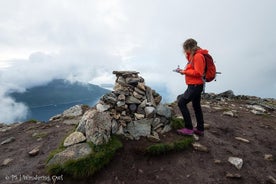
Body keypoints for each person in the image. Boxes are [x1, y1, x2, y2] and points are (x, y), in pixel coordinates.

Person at [175, 38, 208, 136]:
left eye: (185, 49)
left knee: (181, 103)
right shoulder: (194, 56)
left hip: (195, 86)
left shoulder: (198, 56)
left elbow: (198, 72)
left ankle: (189, 128)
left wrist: (184, 72)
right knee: (196, 106)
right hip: (196, 85)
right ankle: (200, 129)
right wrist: (183, 71)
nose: (184, 51)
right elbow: (194, 70)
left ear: (188, 47)